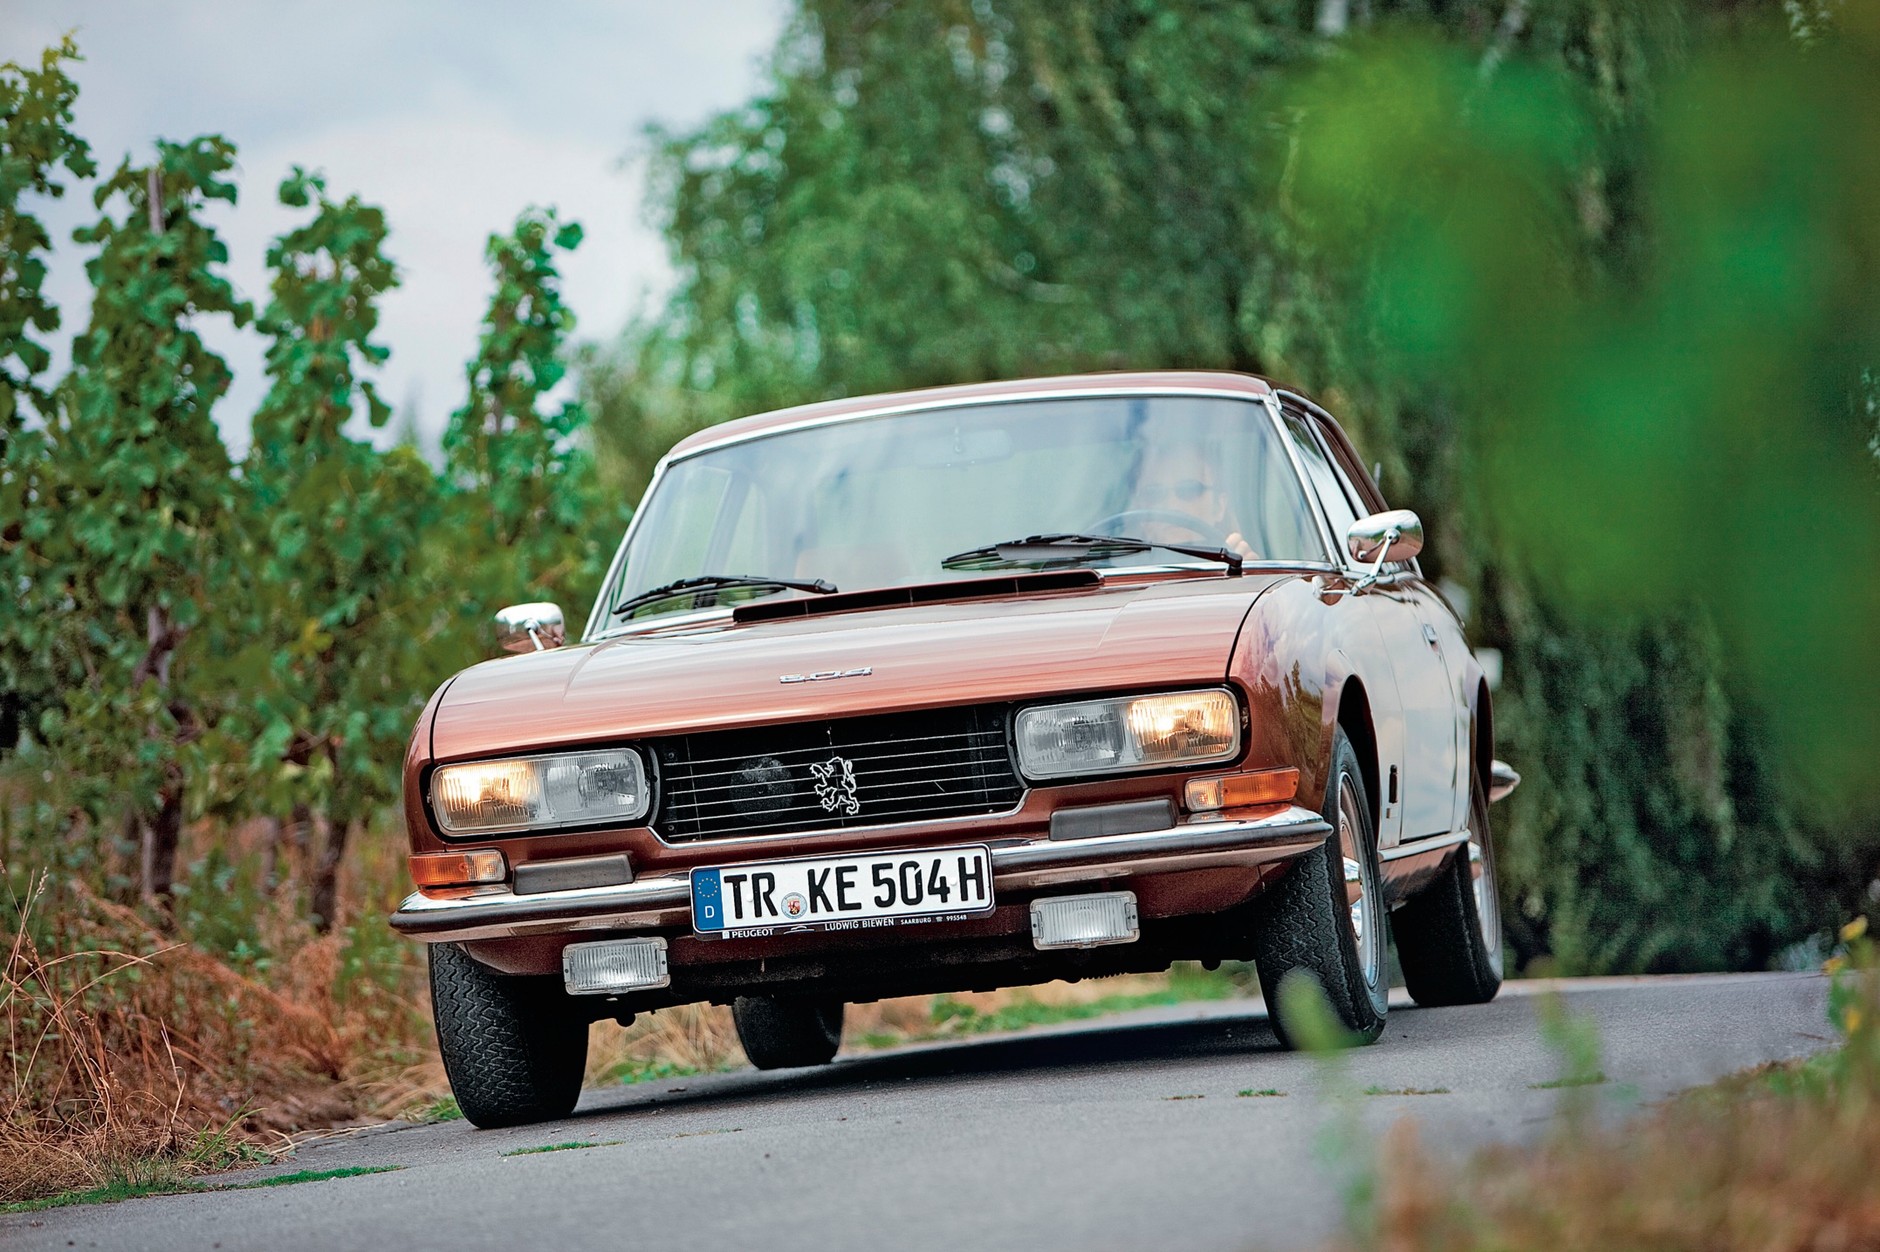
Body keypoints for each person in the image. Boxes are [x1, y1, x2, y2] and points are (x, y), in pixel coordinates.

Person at [1123, 440, 1259, 559]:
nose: (1171, 505)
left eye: (1189, 490)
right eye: (1153, 493)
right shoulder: (1111, 575)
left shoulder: (1238, 568)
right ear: (1140, 509)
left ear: (1219, 507)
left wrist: (1248, 576)